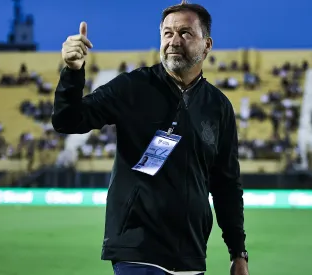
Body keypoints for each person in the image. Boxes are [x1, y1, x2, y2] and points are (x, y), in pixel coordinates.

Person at [52, 1, 249, 275]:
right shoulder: (132, 87)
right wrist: (72, 73)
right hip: (138, 250)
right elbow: (68, 121)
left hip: (191, 257)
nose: (174, 41)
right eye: (167, 33)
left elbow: (226, 184)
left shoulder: (218, 107)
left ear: (207, 45)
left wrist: (238, 253)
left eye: (185, 33)